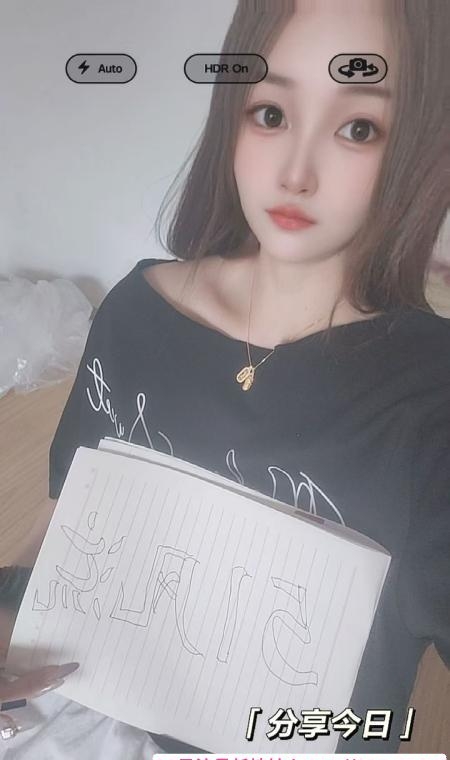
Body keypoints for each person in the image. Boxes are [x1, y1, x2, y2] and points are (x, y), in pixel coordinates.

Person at [1, 0, 449, 754]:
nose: (295, 172)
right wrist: (10, 614)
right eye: (270, 113)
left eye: (358, 127)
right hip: (88, 715)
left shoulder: (431, 394)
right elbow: (68, 520)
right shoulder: (135, 313)